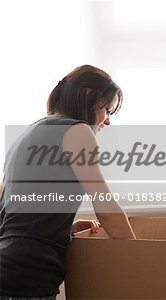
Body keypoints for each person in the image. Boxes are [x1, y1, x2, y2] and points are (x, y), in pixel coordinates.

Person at [0, 65, 136, 299]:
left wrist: (64, 229)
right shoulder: (78, 131)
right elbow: (105, 208)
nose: (107, 121)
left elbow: (13, 216)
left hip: (9, 267)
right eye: (107, 109)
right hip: (28, 274)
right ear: (88, 96)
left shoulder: (29, 133)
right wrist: (143, 256)